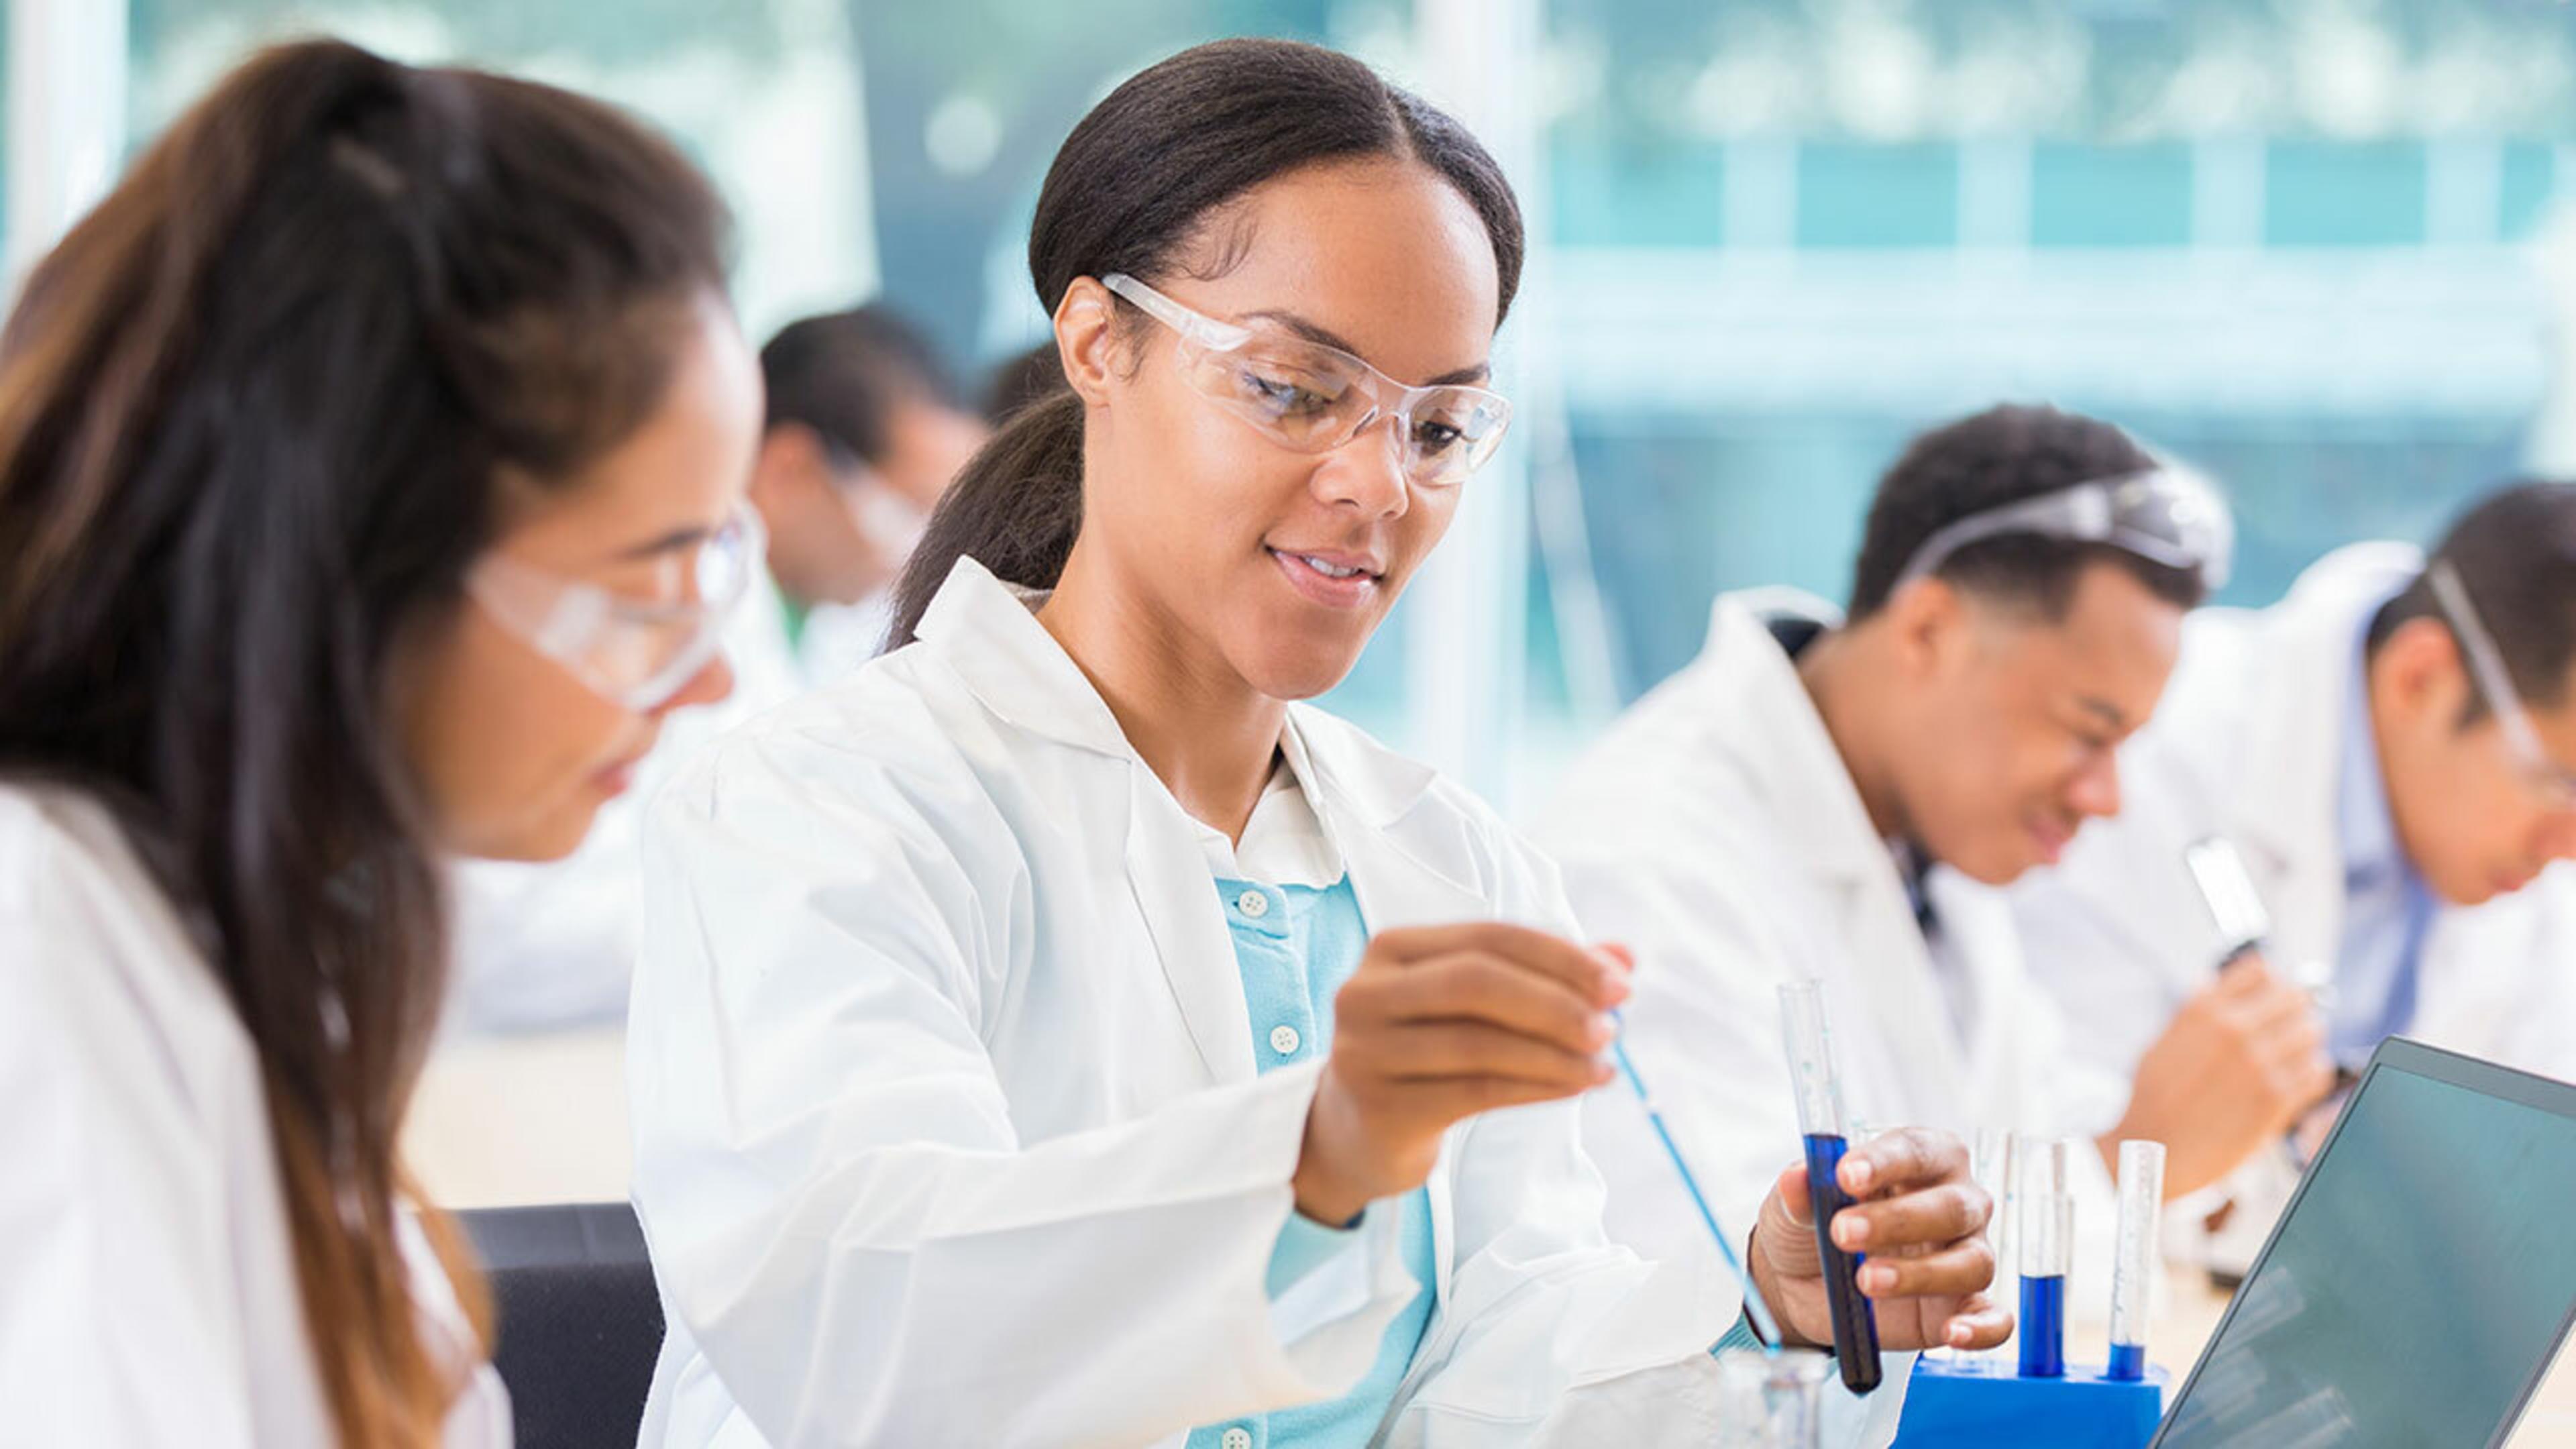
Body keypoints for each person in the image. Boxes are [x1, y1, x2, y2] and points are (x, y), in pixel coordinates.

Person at [627, 38, 2003, 1449]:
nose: (1376, 484)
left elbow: (1480, 1369)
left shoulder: (1455, 861)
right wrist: (1313, 1159)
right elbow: (869, 1339)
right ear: (1099, 344)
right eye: (1294, 389)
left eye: (1441, 423)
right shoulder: (823, 810)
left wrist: (1750, 1313)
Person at [0, 40, 756, 1445]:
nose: (704, 684)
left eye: (720, 572)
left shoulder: (231, 941)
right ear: (352, 563)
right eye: (649, 593)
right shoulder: (43, 947)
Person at [1536, 405, 2334, 1297]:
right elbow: (1736, 1308)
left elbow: (2031, 1131)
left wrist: (2183, 1148)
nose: (2107, 799)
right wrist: (2130, 1161)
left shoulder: (1929, 845)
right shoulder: (1652, 863)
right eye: (2088, 731)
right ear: (1927, 632)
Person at [2010, 482, 2576, 1251]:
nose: (2571, 847)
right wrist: (2159, 1152)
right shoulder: (2141, 754)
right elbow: (2022, 1177)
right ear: (2422, 679)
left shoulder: (2519, 859)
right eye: (2563, 785)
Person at [746, 303, 989, 678]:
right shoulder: (707, 625)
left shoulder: (824, 626)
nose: (928, 552)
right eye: (912, 506)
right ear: (790, 470)